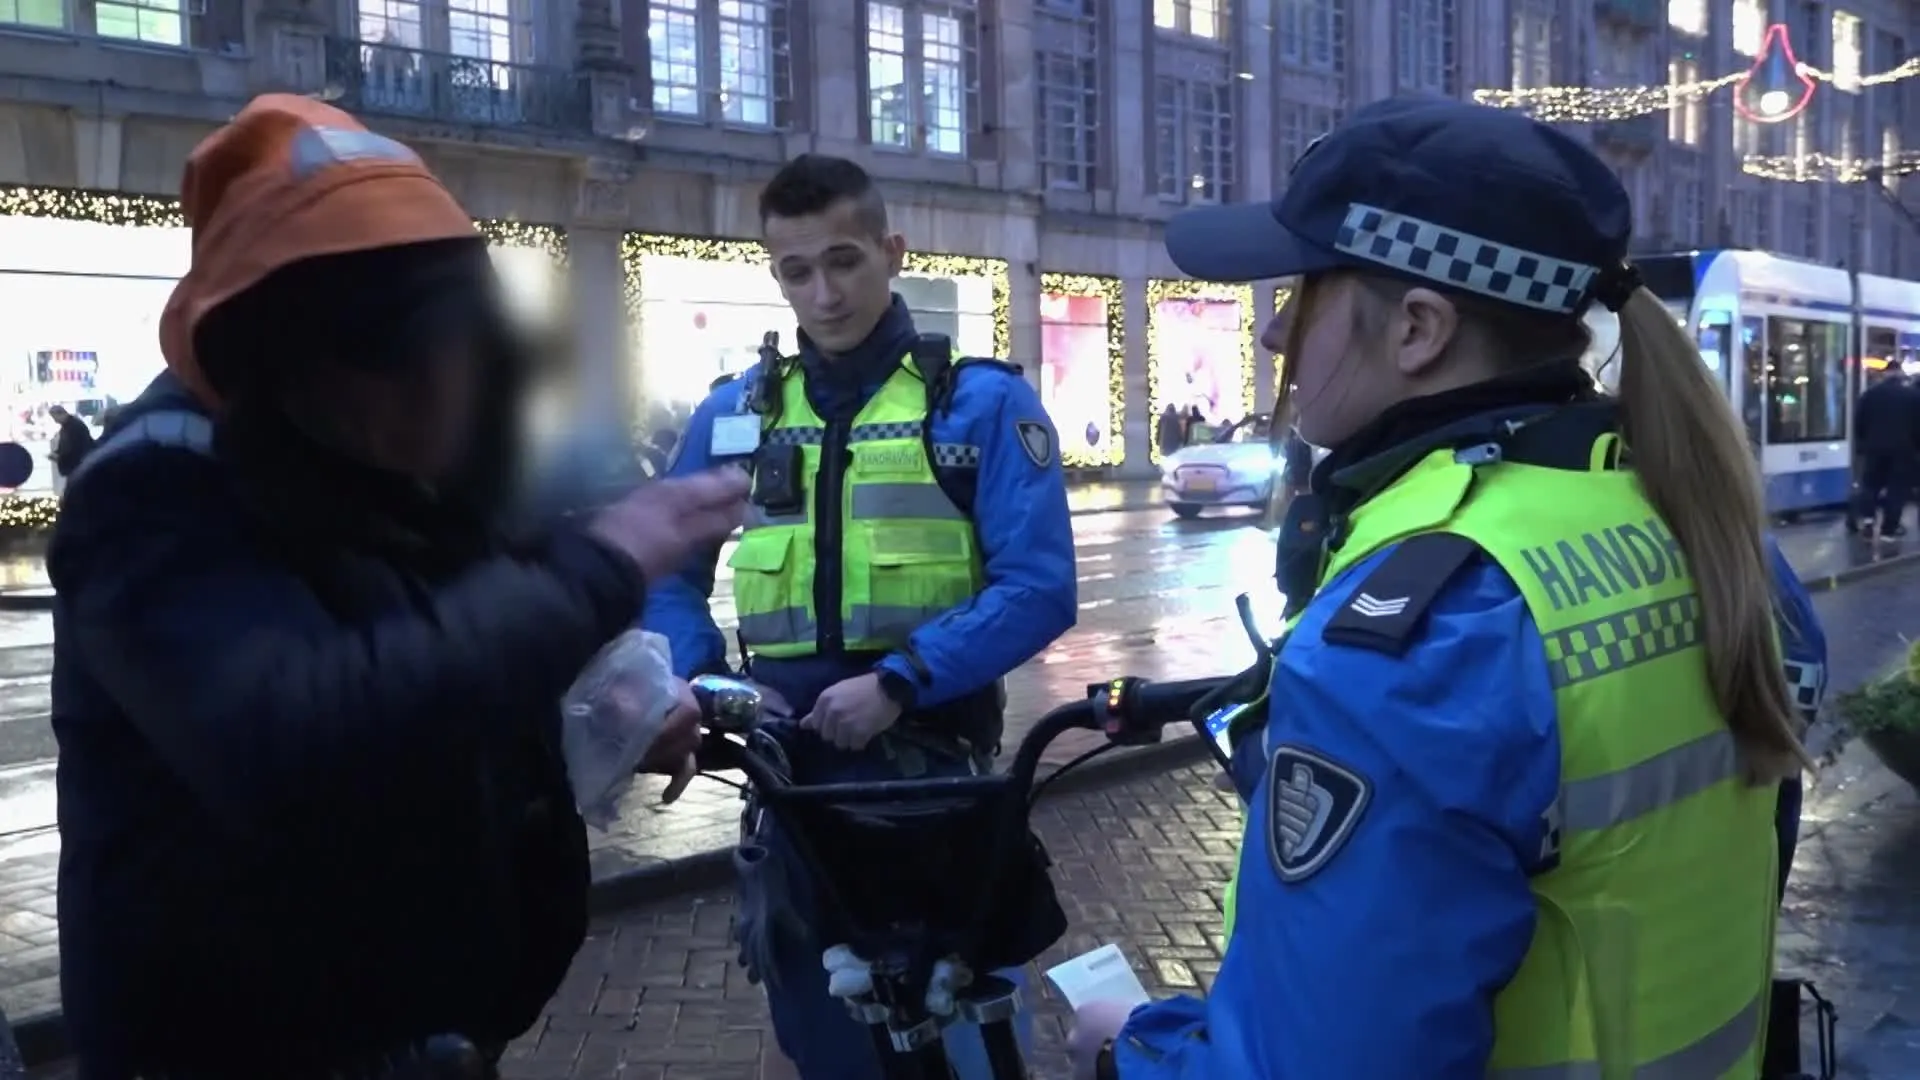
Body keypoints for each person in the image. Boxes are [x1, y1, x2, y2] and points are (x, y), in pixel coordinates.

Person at [1065, 96, 1810, 1079]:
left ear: (1418, 328)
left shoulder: (1420, 641)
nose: (1275, 335)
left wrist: (1137, 1044)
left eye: (1306, 292)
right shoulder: (1707, 527)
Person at [49, 95, 749, 1079]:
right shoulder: (150, 492)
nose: (452, 393)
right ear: (284, 351)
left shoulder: (376, 470)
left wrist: (614, 720)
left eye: (464, 344)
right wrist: (602, 566)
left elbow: (439, 680)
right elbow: (297, 736)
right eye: (406, 354)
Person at [642, 153, 1078, 1080]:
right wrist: (704, 674)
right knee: (824, 1034)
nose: (824, 293)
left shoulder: (979, 404)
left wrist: (898, 680)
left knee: (961, 1034)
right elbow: (663, 572)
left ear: (893, 251)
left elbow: (1039, 587)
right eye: (795, 271)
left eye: (843, 261)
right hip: (787, 778)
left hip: (929, 781)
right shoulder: (736, 413)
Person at [1849, 365, 1917, 537]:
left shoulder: (1870, 394)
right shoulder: (1913, 396)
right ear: (1900, 375)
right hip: (1903, 450)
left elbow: (1859, 421)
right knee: (1897, 489)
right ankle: (1889, 530)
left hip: (1874, 449)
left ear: (1885, 374)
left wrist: (1863, 444)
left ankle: (1868, 521)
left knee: (1870, 485)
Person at [47, 403, 97, 495]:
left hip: (77, 465)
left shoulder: (74, 426)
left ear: (61, 414)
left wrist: (59, 456)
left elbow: (75, 447)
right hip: (76, 466)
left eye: (54, 418)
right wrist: (57, 453)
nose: (55, 421)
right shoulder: (69, 426)